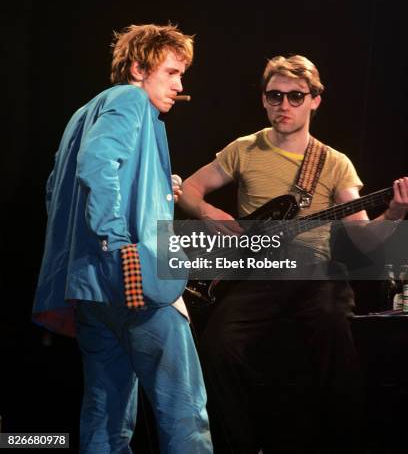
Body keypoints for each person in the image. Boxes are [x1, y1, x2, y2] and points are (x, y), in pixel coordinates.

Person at [178, 55, 408, 454]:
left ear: (315, 100)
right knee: (216, 347)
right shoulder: (244, 149)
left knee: (336, 332)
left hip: (314, 272)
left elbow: (365, 240)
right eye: (275, 96)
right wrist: (211, 212)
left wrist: (393, 214)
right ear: (264, 99)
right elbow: (189, 191)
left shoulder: (335, 163)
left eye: (295, 96)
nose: (284, 105)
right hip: (258, 272)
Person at [32, 23, 213, 454]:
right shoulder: (130, 99)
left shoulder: (83, 113)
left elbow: (56, 189)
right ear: (138, 69)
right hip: (134, 282)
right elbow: (97, 164)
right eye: (171, 72)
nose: (179, 84)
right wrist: (118, 241)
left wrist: (151, 187)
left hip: (91, 291)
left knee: (107, 417)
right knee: (185, 412)